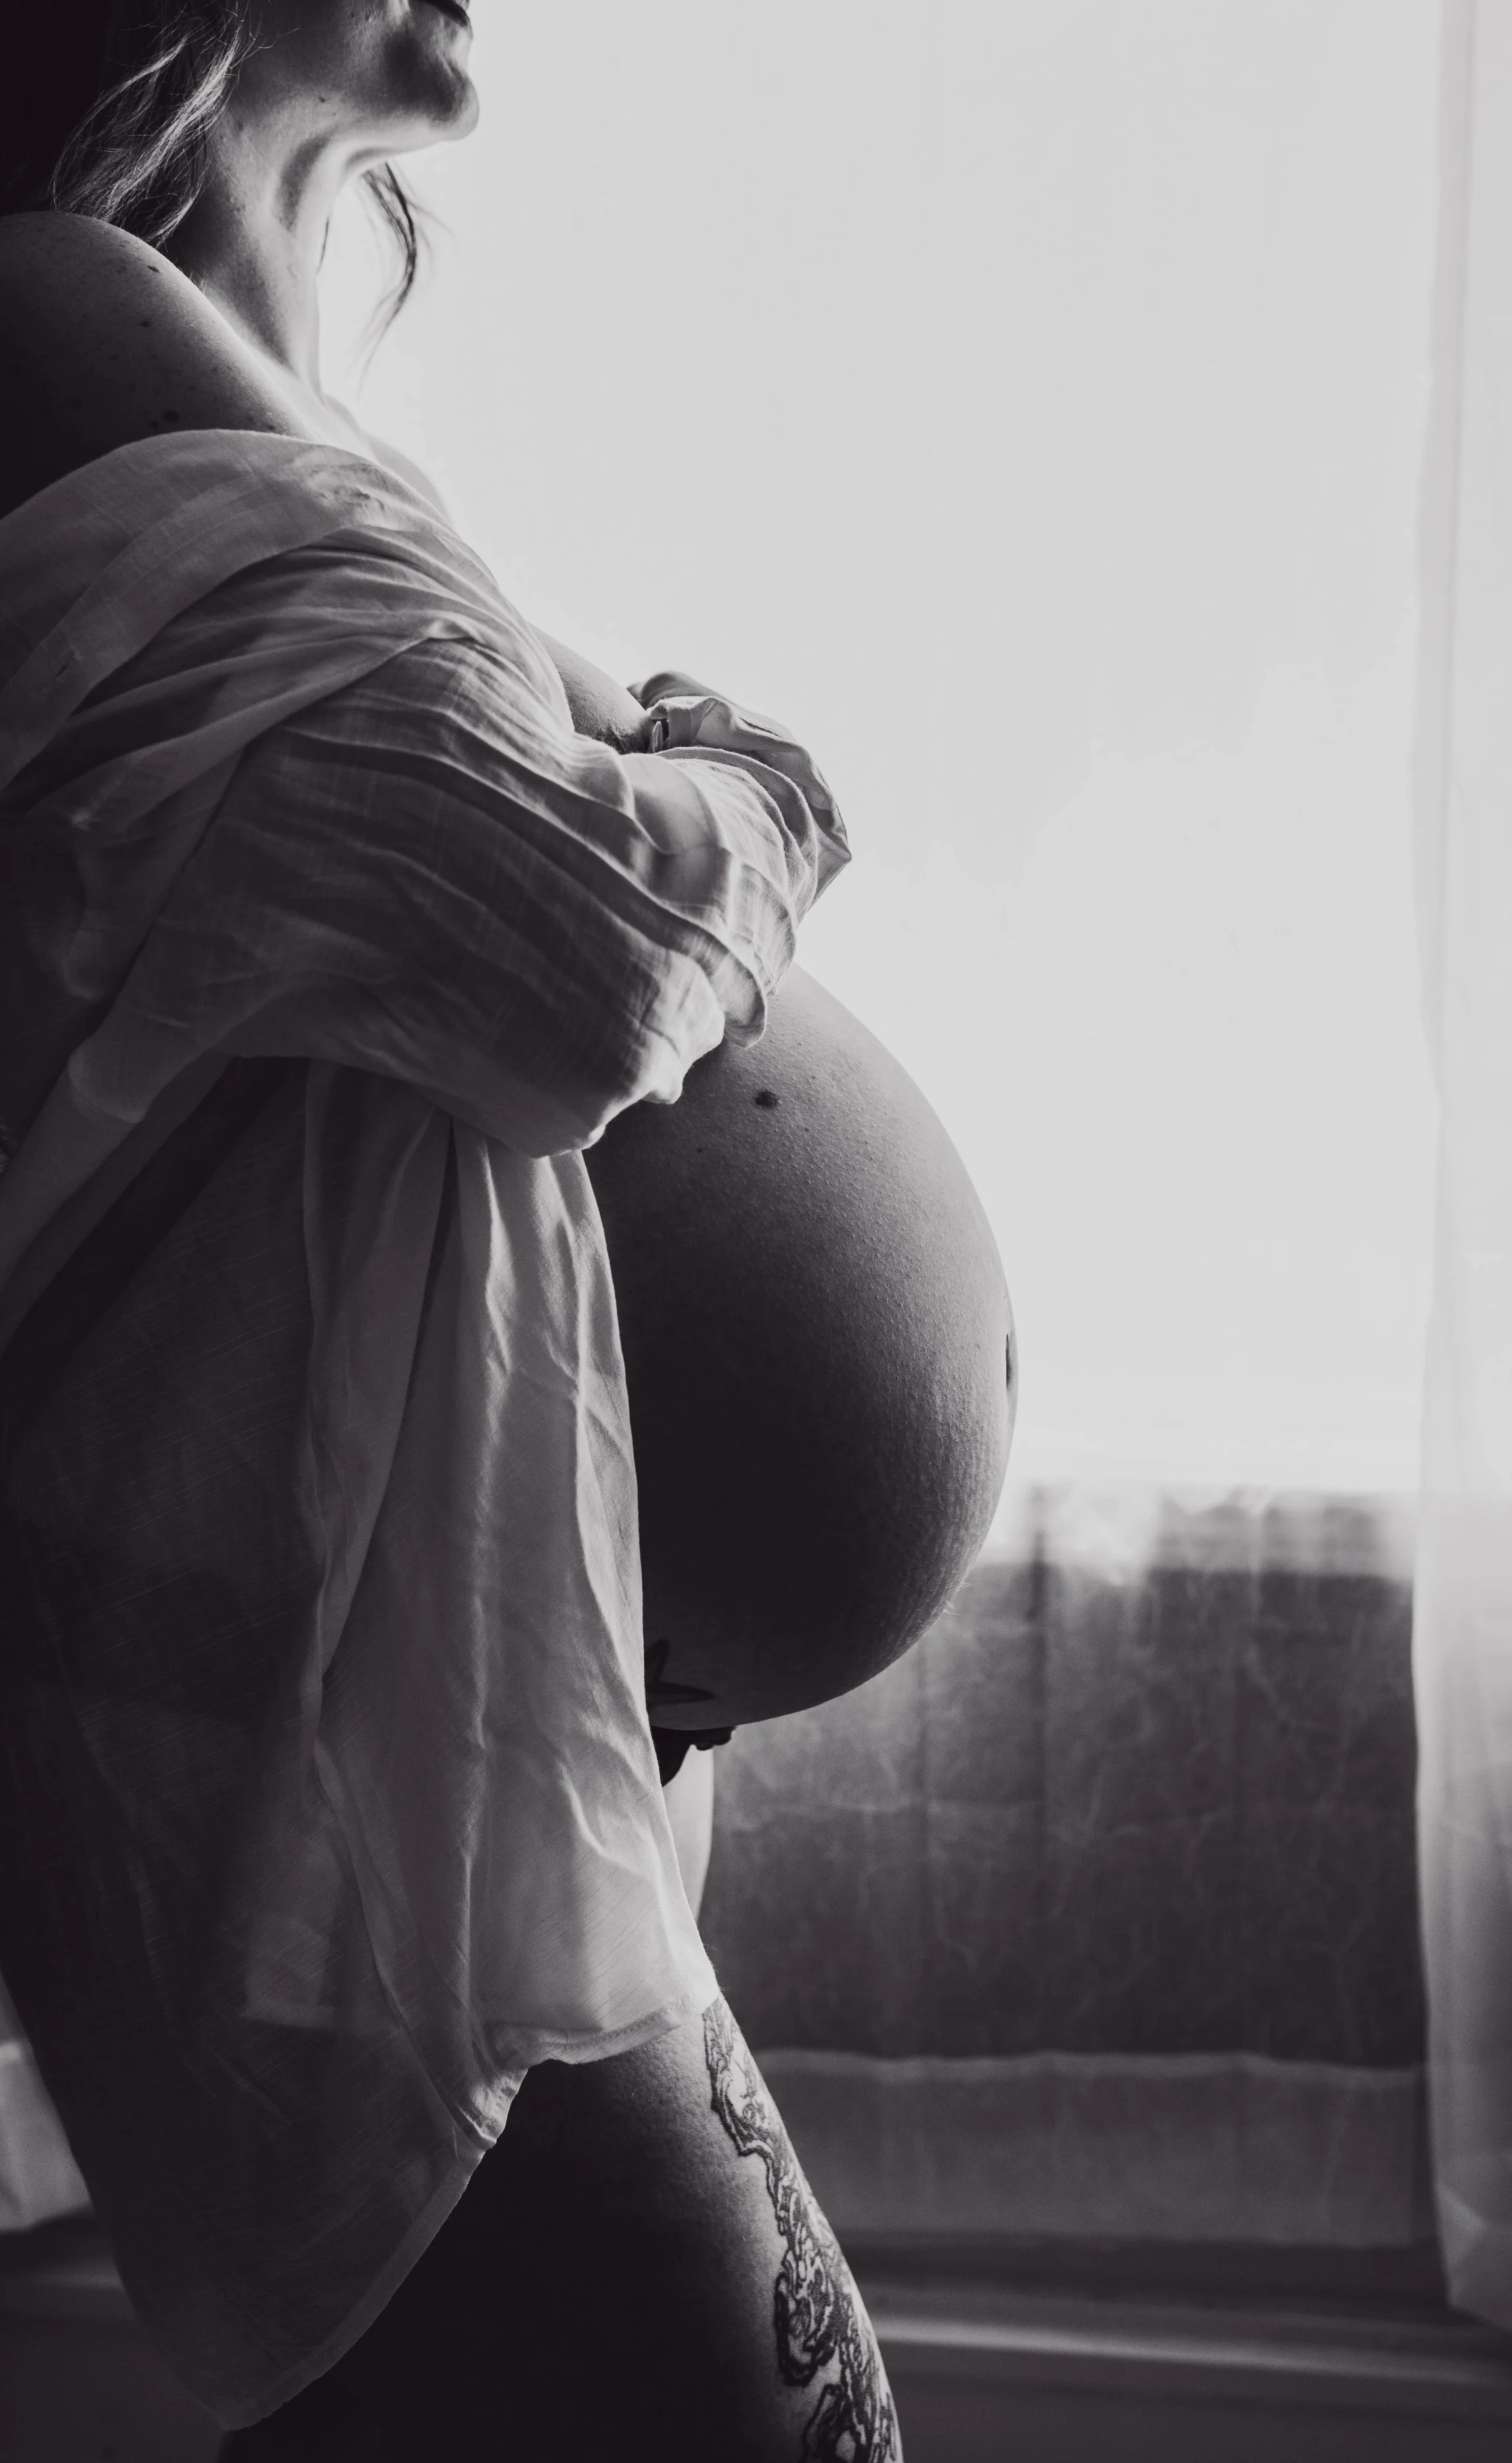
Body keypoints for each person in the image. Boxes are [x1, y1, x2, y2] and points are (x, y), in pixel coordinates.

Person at [0, 5, 901, 2456]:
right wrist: (766, 784)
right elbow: (576, 938)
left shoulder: (218, 394)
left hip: (459, 1713)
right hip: (311, 1785)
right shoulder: (38, 302)